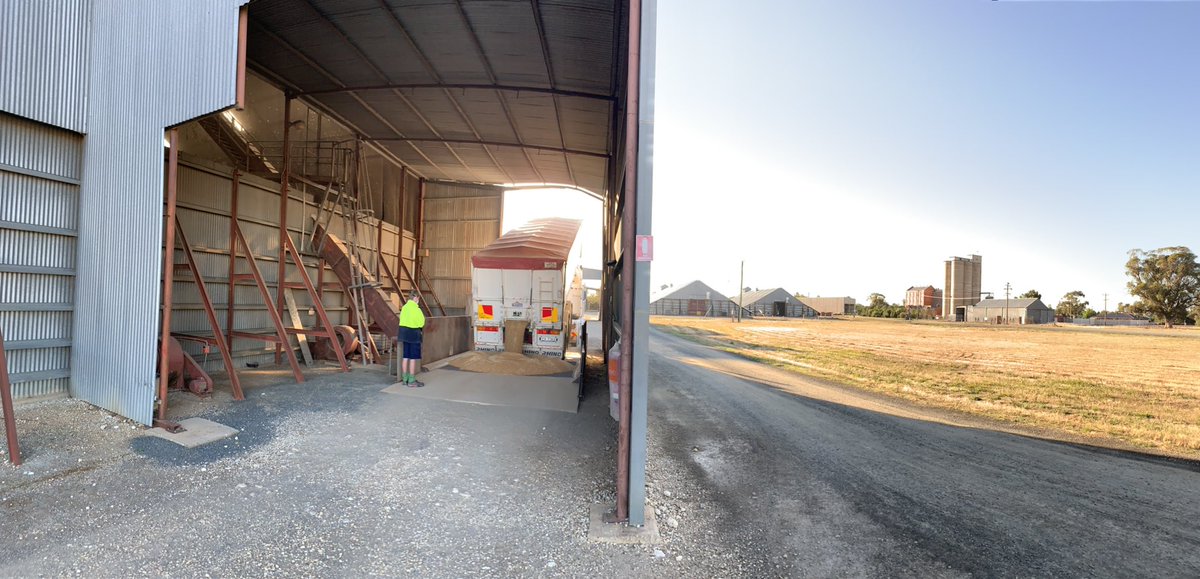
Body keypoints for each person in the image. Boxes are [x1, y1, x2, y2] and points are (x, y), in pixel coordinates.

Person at [398, 293, 426, 387]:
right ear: (415, 298)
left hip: (404, 334)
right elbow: (421, 323)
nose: (418, 301)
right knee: (413, 358)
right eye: (418, 299)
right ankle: (411, 380)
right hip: (414, 334)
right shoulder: (416, 309)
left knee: (405, 356)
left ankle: (404, 379)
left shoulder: (404, 308)